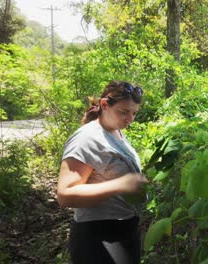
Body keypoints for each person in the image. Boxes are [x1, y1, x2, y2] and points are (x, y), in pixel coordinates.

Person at [57, 80, 149, 264]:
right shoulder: (87, 138)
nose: (130, 119)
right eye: (124, 112)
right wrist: (120, 185)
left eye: (134, 113)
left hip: (124, 228)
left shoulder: (115, 131)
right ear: (105, 105)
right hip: (98, 236)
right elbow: (65, 195)